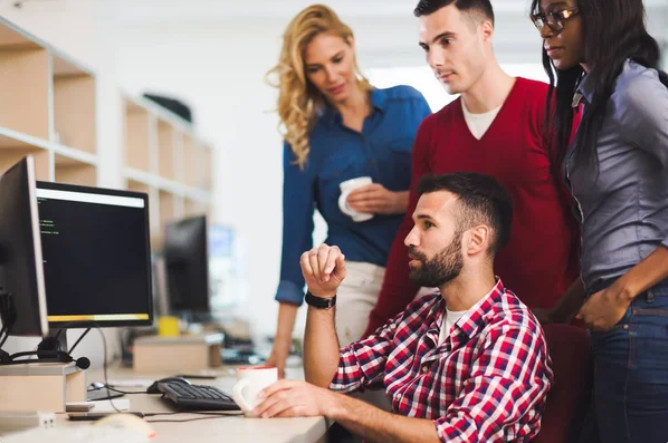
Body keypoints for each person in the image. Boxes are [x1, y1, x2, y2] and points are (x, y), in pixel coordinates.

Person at [253, 172, 553, 443]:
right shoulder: (421, 316)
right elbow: (328, 379)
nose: (410, 238)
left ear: (475, 240)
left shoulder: (512, 332)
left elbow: (456, 437)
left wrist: (336, 405)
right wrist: (321, 295)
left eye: (428, 224)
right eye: (413, 224)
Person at [363, 0, 581, 338]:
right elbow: (413, 232)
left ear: (485, 32)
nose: (435, 60)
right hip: (467, 335)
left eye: (446, 41)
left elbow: (589, 220)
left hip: (554, 325)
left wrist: (574, 308)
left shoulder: (550, 109)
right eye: (427, 47)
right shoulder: (433, 132)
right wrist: (378, 329)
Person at [265, 4, 431, 377]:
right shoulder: (303, 140)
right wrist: (279, 349)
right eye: (316, 68)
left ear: (351, 45)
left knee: (421, 392)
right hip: (351, 276)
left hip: (419, 273)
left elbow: (444, 192)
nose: (331, 75)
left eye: (337, 59)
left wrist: (398, 201)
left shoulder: (409, 104)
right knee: (347, 389)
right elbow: (295, 240)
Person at [530, 0, 668, 440]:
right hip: (625, 318)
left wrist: (623, 292)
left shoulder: (635, 90)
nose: (546, 30)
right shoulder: (598, 97)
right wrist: (560, 310)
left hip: (643, 315)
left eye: (559, 14)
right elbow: (615, 232)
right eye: (542, 17)